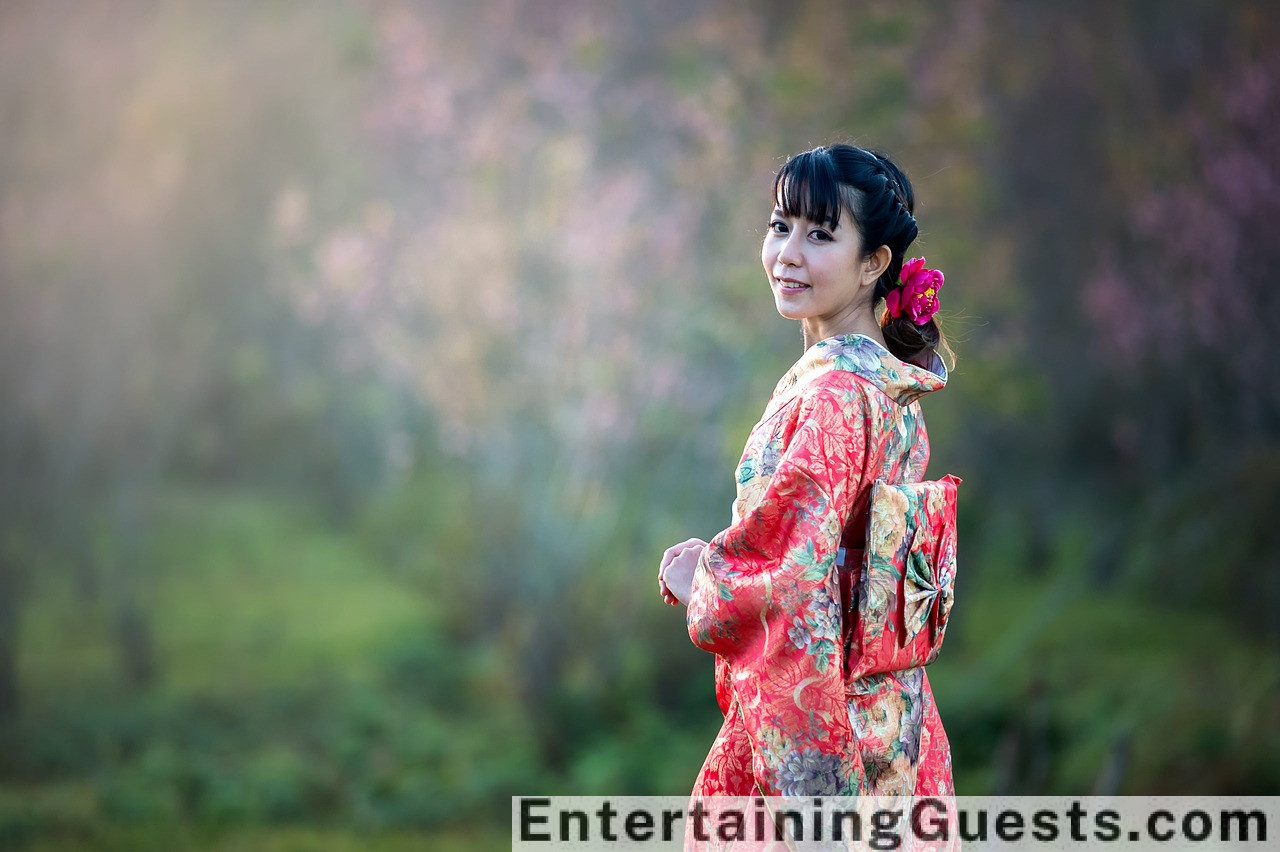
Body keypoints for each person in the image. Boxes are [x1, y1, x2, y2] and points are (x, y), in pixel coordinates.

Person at [658, 144, 959, 804]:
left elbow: (793, 585)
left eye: (820, 234)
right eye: (779, 225)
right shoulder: (890, 387)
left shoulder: (832, 397)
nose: (788, 253)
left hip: (832, 736)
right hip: (895, 730)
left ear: (874, 263)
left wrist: (703, 580)